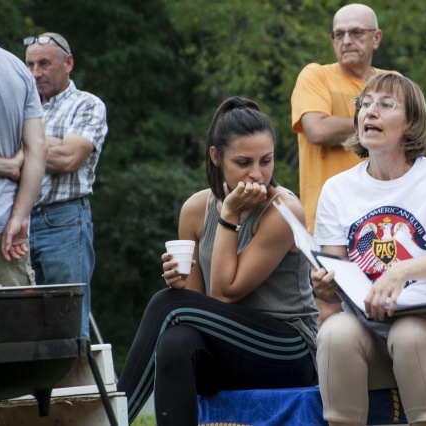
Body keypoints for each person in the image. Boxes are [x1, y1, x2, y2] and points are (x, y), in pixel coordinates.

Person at [117, 96, 319, 426]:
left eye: (266, 160)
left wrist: (229, 216)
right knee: (176, 339)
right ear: (216, 157)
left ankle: (111, 418)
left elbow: (225, 293)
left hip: (287, 350)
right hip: (230, 349)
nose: (258, 174)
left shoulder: (283, 210)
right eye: (244, 162)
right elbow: (198, 309)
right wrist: (180, 284)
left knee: (167, 304)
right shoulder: (195, 210)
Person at [312, 73, 426, 426]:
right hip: (368, 346)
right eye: (365, 104)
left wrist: (401, 271)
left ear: (411, 124)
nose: (371, 112)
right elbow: (333, 278)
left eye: (386, 105)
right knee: (336, 331)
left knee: (410, 332)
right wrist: (324, 285)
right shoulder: (337, 189)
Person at [291, 3, 398, 326]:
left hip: (385, 222)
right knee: (328, 308)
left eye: (356, 32)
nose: (346, 40)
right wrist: (378, 121)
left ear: (376, 38)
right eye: (339, 34)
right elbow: (317, 129)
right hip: (328, 222)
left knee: (389, 307)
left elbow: (408, 137)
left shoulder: (392, 82)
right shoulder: (316, 75)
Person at [24, 33, 108, 339]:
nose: (36, 73)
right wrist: (51, 145)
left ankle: (72, 372)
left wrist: (24, 146)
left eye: (44, 64)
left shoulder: (87, 104)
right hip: (17, 222)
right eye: (30, 65)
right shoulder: (20, 104)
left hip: (64, 221)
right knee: (20, 323)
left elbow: (70, 158)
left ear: (68, 63)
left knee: (68, 324)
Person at [0, 0, 47, 286]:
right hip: (6, 228)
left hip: (5, 229)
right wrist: (20, 216)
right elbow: (37, 149)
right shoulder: (16, 69)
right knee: (12, 314)